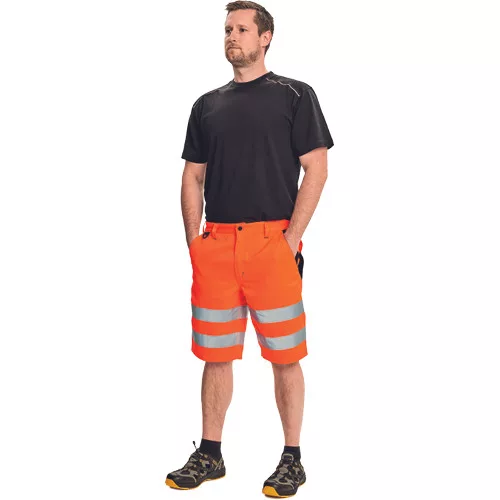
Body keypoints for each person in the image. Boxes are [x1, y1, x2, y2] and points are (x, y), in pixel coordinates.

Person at [165, 1, 334, 497]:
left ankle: (292, 458)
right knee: (215, 354)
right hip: (216, 244)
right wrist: (193, 240)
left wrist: (290, 239)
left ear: (266, 38)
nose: (231, 36)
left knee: (285, 354)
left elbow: (317, 168)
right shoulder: (206, 105)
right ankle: (210, 454)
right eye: (227, 29)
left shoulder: (295, 95)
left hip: (271, 244)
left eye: (242, 29)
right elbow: (192, 175)